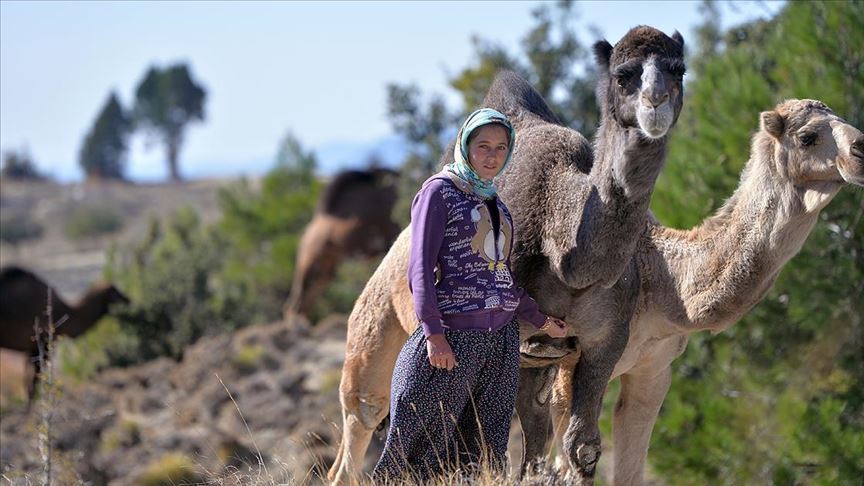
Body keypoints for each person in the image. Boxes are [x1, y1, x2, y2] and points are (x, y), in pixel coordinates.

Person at [373, 108, 568, 481]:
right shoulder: (438, 192)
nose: (492, 156)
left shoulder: (498, 204)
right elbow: (419, 270)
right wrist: (433, 334)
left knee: (482, 450)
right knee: (420, 448)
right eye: (483, 146)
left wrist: (541, 320)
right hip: (454, 339)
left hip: (501, 344)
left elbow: (500, 277)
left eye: (500, 147)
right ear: (465, 146)